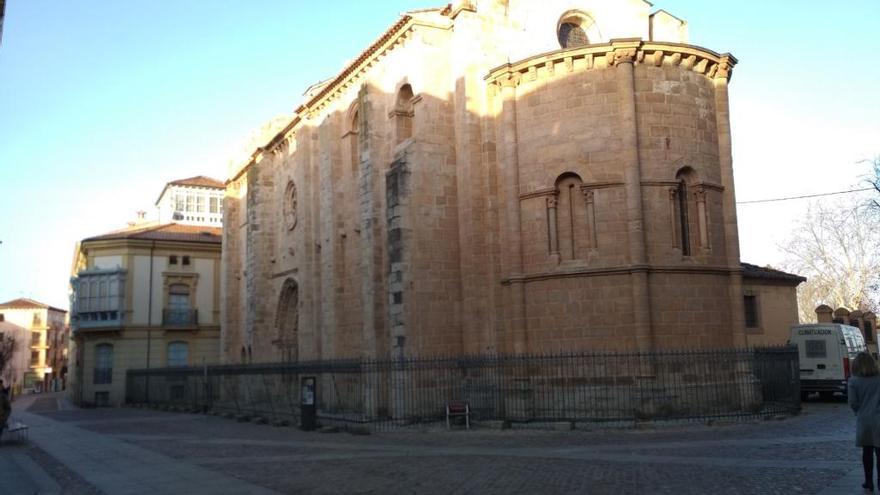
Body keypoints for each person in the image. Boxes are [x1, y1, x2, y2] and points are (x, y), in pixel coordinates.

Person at [849, 352, 880, 492]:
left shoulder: (854, 381)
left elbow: (853, 403)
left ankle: (868, 481)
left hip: (865, 420)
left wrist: (860, 411)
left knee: (867, 452)